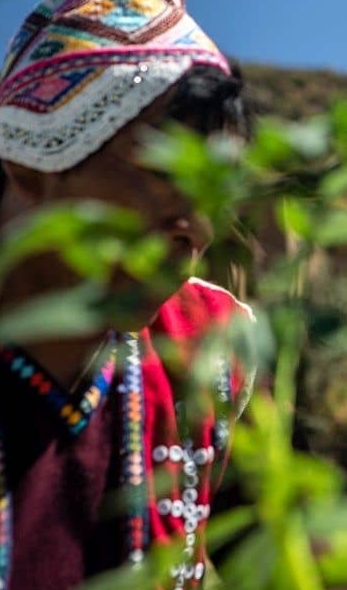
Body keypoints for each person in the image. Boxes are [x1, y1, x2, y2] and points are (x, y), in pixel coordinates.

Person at [0, 1, 256, 589]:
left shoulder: (208, 343)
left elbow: (258, 551)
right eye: (165, 170)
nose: (197, 225)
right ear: (28, 165)